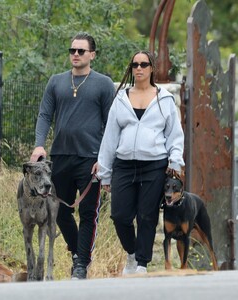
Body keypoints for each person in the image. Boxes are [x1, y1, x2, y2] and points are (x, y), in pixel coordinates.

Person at [30, 32, 115, 280]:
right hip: (61, 156)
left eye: (80, 51)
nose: (75, 54)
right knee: (58, 210)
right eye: (72, 51)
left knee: (88, 213)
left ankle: (80, 266)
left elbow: (111, 124)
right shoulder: (56, 82)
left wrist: (105, 158)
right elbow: (45, 115)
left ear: (92, 54)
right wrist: (39, 145)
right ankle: (79, 254)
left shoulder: (103, 84)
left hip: (91, 159)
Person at [97, 50, 185, 275]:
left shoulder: (164, 99)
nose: (139, 68)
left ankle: (142, 264)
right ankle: (132, 253)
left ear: (151, 68)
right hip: (124, 165)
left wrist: (175, 161)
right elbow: (110, 137)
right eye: (135, 64)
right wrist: (105, 173)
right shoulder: (121, 98)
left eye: (143, 64)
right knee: (120, 216)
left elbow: (175, 134)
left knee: (147, 215)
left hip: (154, 164)